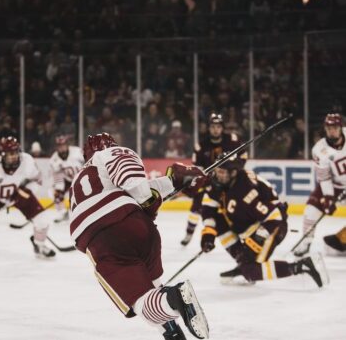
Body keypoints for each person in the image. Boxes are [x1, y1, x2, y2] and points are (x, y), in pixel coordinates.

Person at [68, 132, 209, 340]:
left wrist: (148, 197)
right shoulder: (109, 159)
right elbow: (138, 187)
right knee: (152, 291)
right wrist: (174, 181)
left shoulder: (83, 175)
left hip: (104, 240)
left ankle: (176, 298)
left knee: (140, 303)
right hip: (141, 230)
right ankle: (172, 332)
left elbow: (138, 190)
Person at [178, 154, 326, 287]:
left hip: (273, 226)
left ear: (233, 172)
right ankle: (244, 264)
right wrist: (208, 233)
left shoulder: (246, 191)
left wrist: (257, 239)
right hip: (251, 224)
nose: (217, 175)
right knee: (218, 220)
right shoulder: (220, 182)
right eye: (217, 171)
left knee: (251, 271)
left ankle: (301, 266)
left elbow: (274, 217)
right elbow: (208, 208)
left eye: (222, 172)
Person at [180, 112, 247, 246]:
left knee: (237, 205)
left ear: (222, 128)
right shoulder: (201, 145)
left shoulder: (232, 140)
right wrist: (201, 177)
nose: (215, 129)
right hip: (208, 182)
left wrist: (234, 171)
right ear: (209, 128)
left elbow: (243, 156)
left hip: (228, 181)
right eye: (213, 126)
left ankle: (243, 233)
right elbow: (196, 167)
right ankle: (189, 233)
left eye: (218, 126)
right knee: (196, 207)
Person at [294, 113, 346, 257]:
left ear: (341, 127)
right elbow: (324, 177)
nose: (332, 131)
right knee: (311, 209)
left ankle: (342, 240)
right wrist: (329, 197)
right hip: (335, 186)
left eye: (335, 127)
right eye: (328, 128)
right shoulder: (319, 149)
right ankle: (305, 242)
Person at [49, 134, 84, 223]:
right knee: (54, 192)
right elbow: (58, 177)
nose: (61, 148)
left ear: (67, 145)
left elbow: (89, 160)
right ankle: (63, 213)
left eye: (63, 145)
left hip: (82, 178)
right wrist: (59, 191)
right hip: (68, 181)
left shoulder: (77, 152)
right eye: (59, 146)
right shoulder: (54, 159)